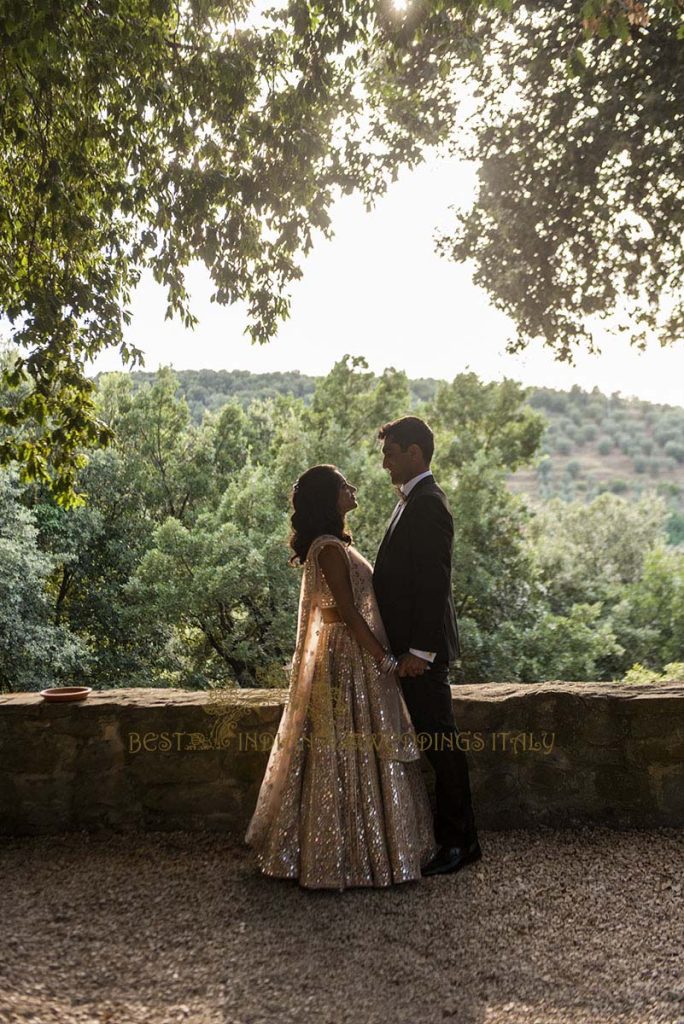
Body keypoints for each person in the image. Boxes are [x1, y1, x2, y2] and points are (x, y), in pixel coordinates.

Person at [244, 464, 439, 890]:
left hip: (349, 652)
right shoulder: (329, 548)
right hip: (347, 657)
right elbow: (348, 613)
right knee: (348, 747)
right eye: (343, 485)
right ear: (329, 498)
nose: (352, 489)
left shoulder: (332, 545)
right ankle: (344, 853)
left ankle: (355, 848)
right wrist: (384, 659)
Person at [373, 416, 481, 876]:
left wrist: (420, 651)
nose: (385, 463)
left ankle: (459, 845)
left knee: (442, 746)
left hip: (421, 656)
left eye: (391, 453)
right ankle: (459, 840)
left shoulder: (428, 504)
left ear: (415, 452)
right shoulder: (412, 500)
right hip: (409, 651)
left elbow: (434, 582)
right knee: (437, 743)